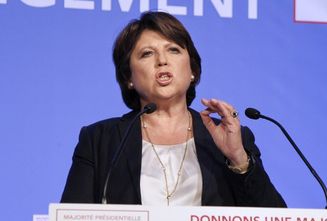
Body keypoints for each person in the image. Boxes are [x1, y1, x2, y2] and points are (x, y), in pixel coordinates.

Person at [61, 11, 286, 207]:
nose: (162, 60)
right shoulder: (99, 140)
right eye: (147, 53)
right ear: (129, 77)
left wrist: (238, 158)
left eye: (174, 50)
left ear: (192, 71)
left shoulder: (231, 138)